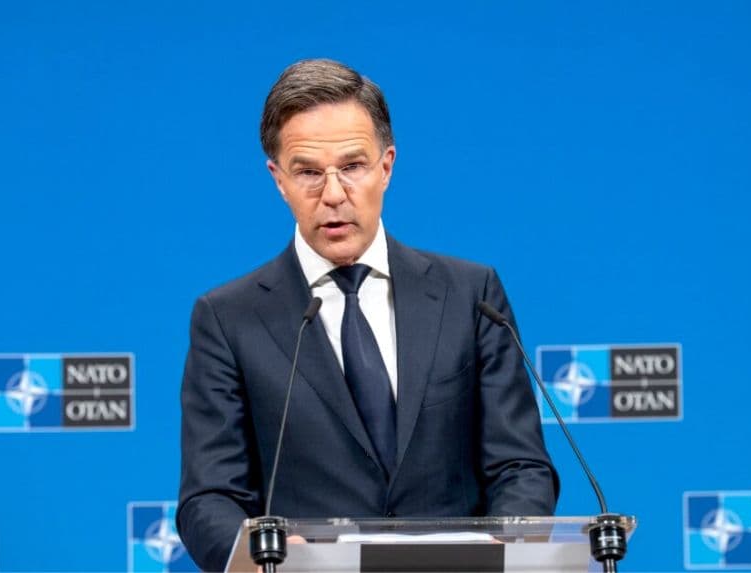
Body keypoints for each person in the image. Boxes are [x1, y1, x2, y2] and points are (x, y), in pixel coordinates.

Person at [177, 59, 559, 571]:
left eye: (353, 166)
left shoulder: (470, 294)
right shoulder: (229, 318)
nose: (333, 194)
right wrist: (273, 560)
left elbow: (521, 466)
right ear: (278, 179)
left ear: (387, 166)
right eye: (309, 172)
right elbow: (209, 499)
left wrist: (497, 555)